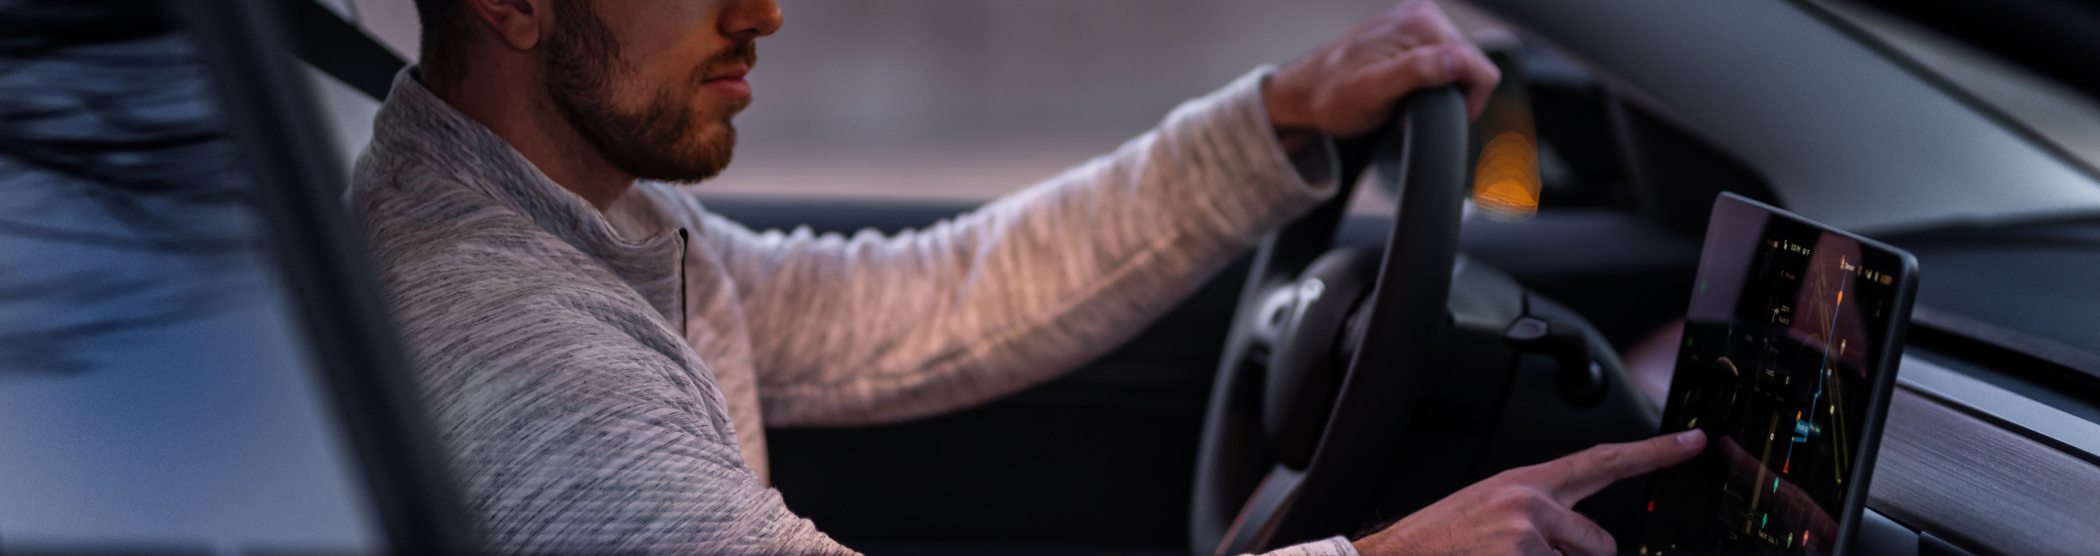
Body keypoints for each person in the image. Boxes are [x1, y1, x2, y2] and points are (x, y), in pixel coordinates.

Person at [350, 0, 1707, 554]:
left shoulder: (591, 219)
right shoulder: (510, 335)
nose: (764, 9)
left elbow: (923, 305)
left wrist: (1274, 119)